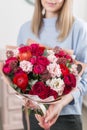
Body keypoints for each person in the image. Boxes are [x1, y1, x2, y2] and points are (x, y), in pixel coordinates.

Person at [17, 0, 87, 130]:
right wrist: (24, 96)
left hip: (66, 116)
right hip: (33, 114)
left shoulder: (79, 28)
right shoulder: (25, 29)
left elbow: (85, 79)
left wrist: (60, 104)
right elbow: (19, 74)